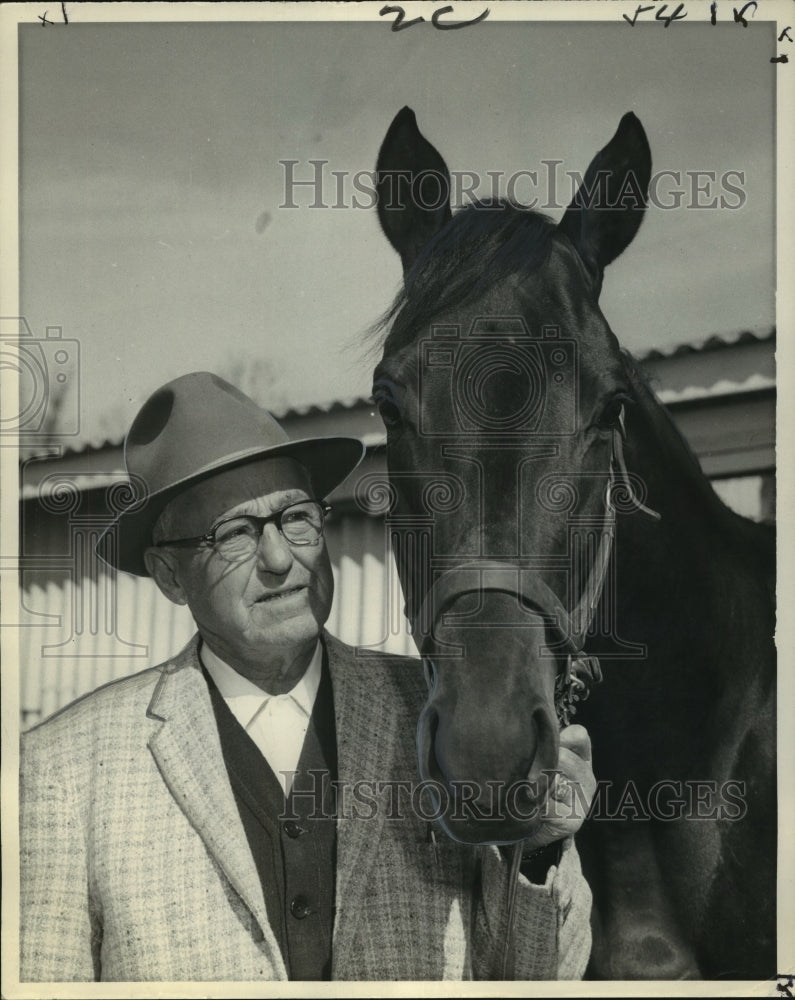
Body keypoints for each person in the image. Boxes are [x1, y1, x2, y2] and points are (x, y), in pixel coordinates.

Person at [19, 371, 595, 982]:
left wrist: (538, 847)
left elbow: (530, 980)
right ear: (168, 574)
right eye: (234, 533)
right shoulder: (64, 771)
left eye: (296, 518)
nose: (279, 558)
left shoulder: (444, 715)